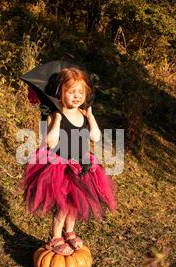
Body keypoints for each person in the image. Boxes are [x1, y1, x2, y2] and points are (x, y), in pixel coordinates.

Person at [22, 67, 117, 255]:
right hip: (60, 166)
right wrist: (57, 118)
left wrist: (91, 117)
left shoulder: (83, 115)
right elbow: (50, 142)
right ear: (60, 93)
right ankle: (55, 236)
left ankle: (70, 231)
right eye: (71, 91)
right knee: (63, 206)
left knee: (74, 204)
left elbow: (95, 137)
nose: (77, 96)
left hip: (81, 165)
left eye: (80, 92)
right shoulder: (54, 115)